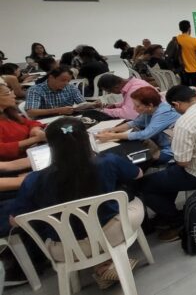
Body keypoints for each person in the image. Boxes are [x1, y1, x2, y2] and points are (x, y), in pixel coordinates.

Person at [6, 117, 144, 288]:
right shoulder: (107, 161)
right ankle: (108, 263)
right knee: (129, 197)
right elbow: (138, 174)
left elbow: (15, 220)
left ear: (50, 146)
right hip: (112, 233)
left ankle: (102, 266)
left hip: (65, 249)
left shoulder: (34, 180)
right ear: (87, 140)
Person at [139, 85, 196, 241]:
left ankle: (178, 222)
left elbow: (182, 162)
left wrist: (175, 143)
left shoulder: (185, 122)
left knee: (145, 185)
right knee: (166, 176)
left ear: (176, 104)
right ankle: (167, 213)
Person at [95, 87, 180, 164]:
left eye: (137, 106)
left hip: (171, 149)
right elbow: (135, 122)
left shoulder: (164, 113)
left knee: (138, 161)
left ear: (149, 105)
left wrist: (112, 136)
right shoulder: (151, 109)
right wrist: (112, 129)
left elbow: (145, 134)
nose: (134, 109)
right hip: (157, 142)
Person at [0, 82, 44, 168]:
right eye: (7, 94)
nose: (14, 96)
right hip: (14, 164)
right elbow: (2, 149)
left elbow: (31, 123)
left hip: (30, 154)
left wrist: (35, 130)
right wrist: (36, 139)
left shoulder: (9, 113)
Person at [25, 67, 96, 119]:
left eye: (68, 81)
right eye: (63, 80)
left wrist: (93, 104)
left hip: (68, 118)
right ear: (51, 77)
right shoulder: (35, 90)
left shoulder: (71, 87)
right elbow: (31, 112)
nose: (66, 83)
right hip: (46, 119)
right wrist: (58, 110)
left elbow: (82, 103)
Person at [176, 20, 196, 86]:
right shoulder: (194, 40)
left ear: (180, 29)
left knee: (185, 89)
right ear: (189, 28)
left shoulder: (176, 39)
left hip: (181, 70)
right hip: (194, 69)